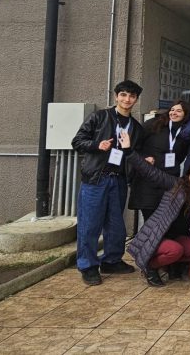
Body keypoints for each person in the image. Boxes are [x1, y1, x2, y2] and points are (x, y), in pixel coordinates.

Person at [72, 79, 144, 286]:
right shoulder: (100, 116)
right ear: (116, 96)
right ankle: (88, 266)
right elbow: (77, 141)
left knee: (115, 223)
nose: (127, 99)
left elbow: (135, 153)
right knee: (90, 223)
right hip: (96, 178)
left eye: (131, 96)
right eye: (123, 95)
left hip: (119, 179)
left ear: (136, 99)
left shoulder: (136, 128)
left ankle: (112, 260)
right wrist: (97, 145)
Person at [122, 129, 190, 287]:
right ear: (188, 176)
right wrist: (129, 151)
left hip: (177, 235)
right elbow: (151, 172)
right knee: (175, 250)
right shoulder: (177, 185)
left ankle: (170, 264)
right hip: (159, 234)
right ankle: (150, 267)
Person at [129, 100, 190, 221]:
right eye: (172, 110)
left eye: (179, 111)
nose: (174, 113)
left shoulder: (185, 133)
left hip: (169, 181)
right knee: (151, 221)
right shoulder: (154, 124)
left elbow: (181, 155)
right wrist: (143, 157)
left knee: (164, 222)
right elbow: (134, 144)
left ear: (186, 114)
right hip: (148, 179)